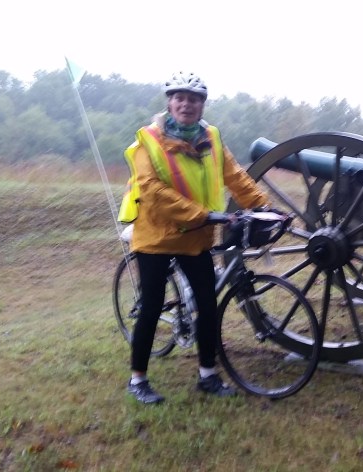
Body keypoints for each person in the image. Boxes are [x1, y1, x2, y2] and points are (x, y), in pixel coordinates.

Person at [122, 72, 268, 404]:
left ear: (202, 105)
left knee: (207, 305)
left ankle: (207, 375)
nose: (187, 104)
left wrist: (264, 206)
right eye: (180, 98)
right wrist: (202, 214)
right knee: (151, 306)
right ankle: (138, 379)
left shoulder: (211, 137)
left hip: (196, 238)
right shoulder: (148, 140)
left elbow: (235, 176)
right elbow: (152, 190)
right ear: (170, 103)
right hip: (157, 235)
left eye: (195, 99)